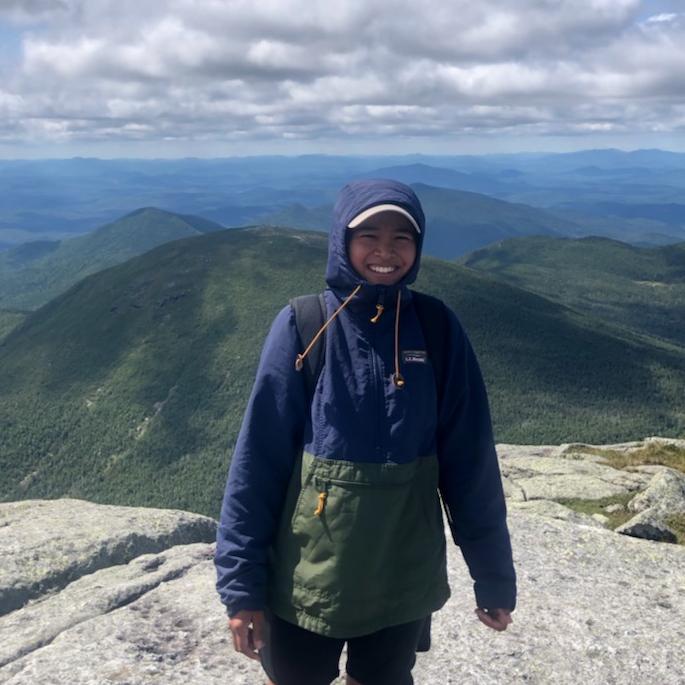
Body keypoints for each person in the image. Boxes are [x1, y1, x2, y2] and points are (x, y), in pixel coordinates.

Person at [214, 178, 516, 685]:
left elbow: (471, 463)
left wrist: (493, 575)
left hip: (402, 573)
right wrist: (242, 588)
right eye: (368, 235)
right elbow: (257, 462)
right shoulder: (303, 324)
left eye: (402, 237)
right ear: (342, 240)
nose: (385, 251)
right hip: (308, 575)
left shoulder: (437, 328)